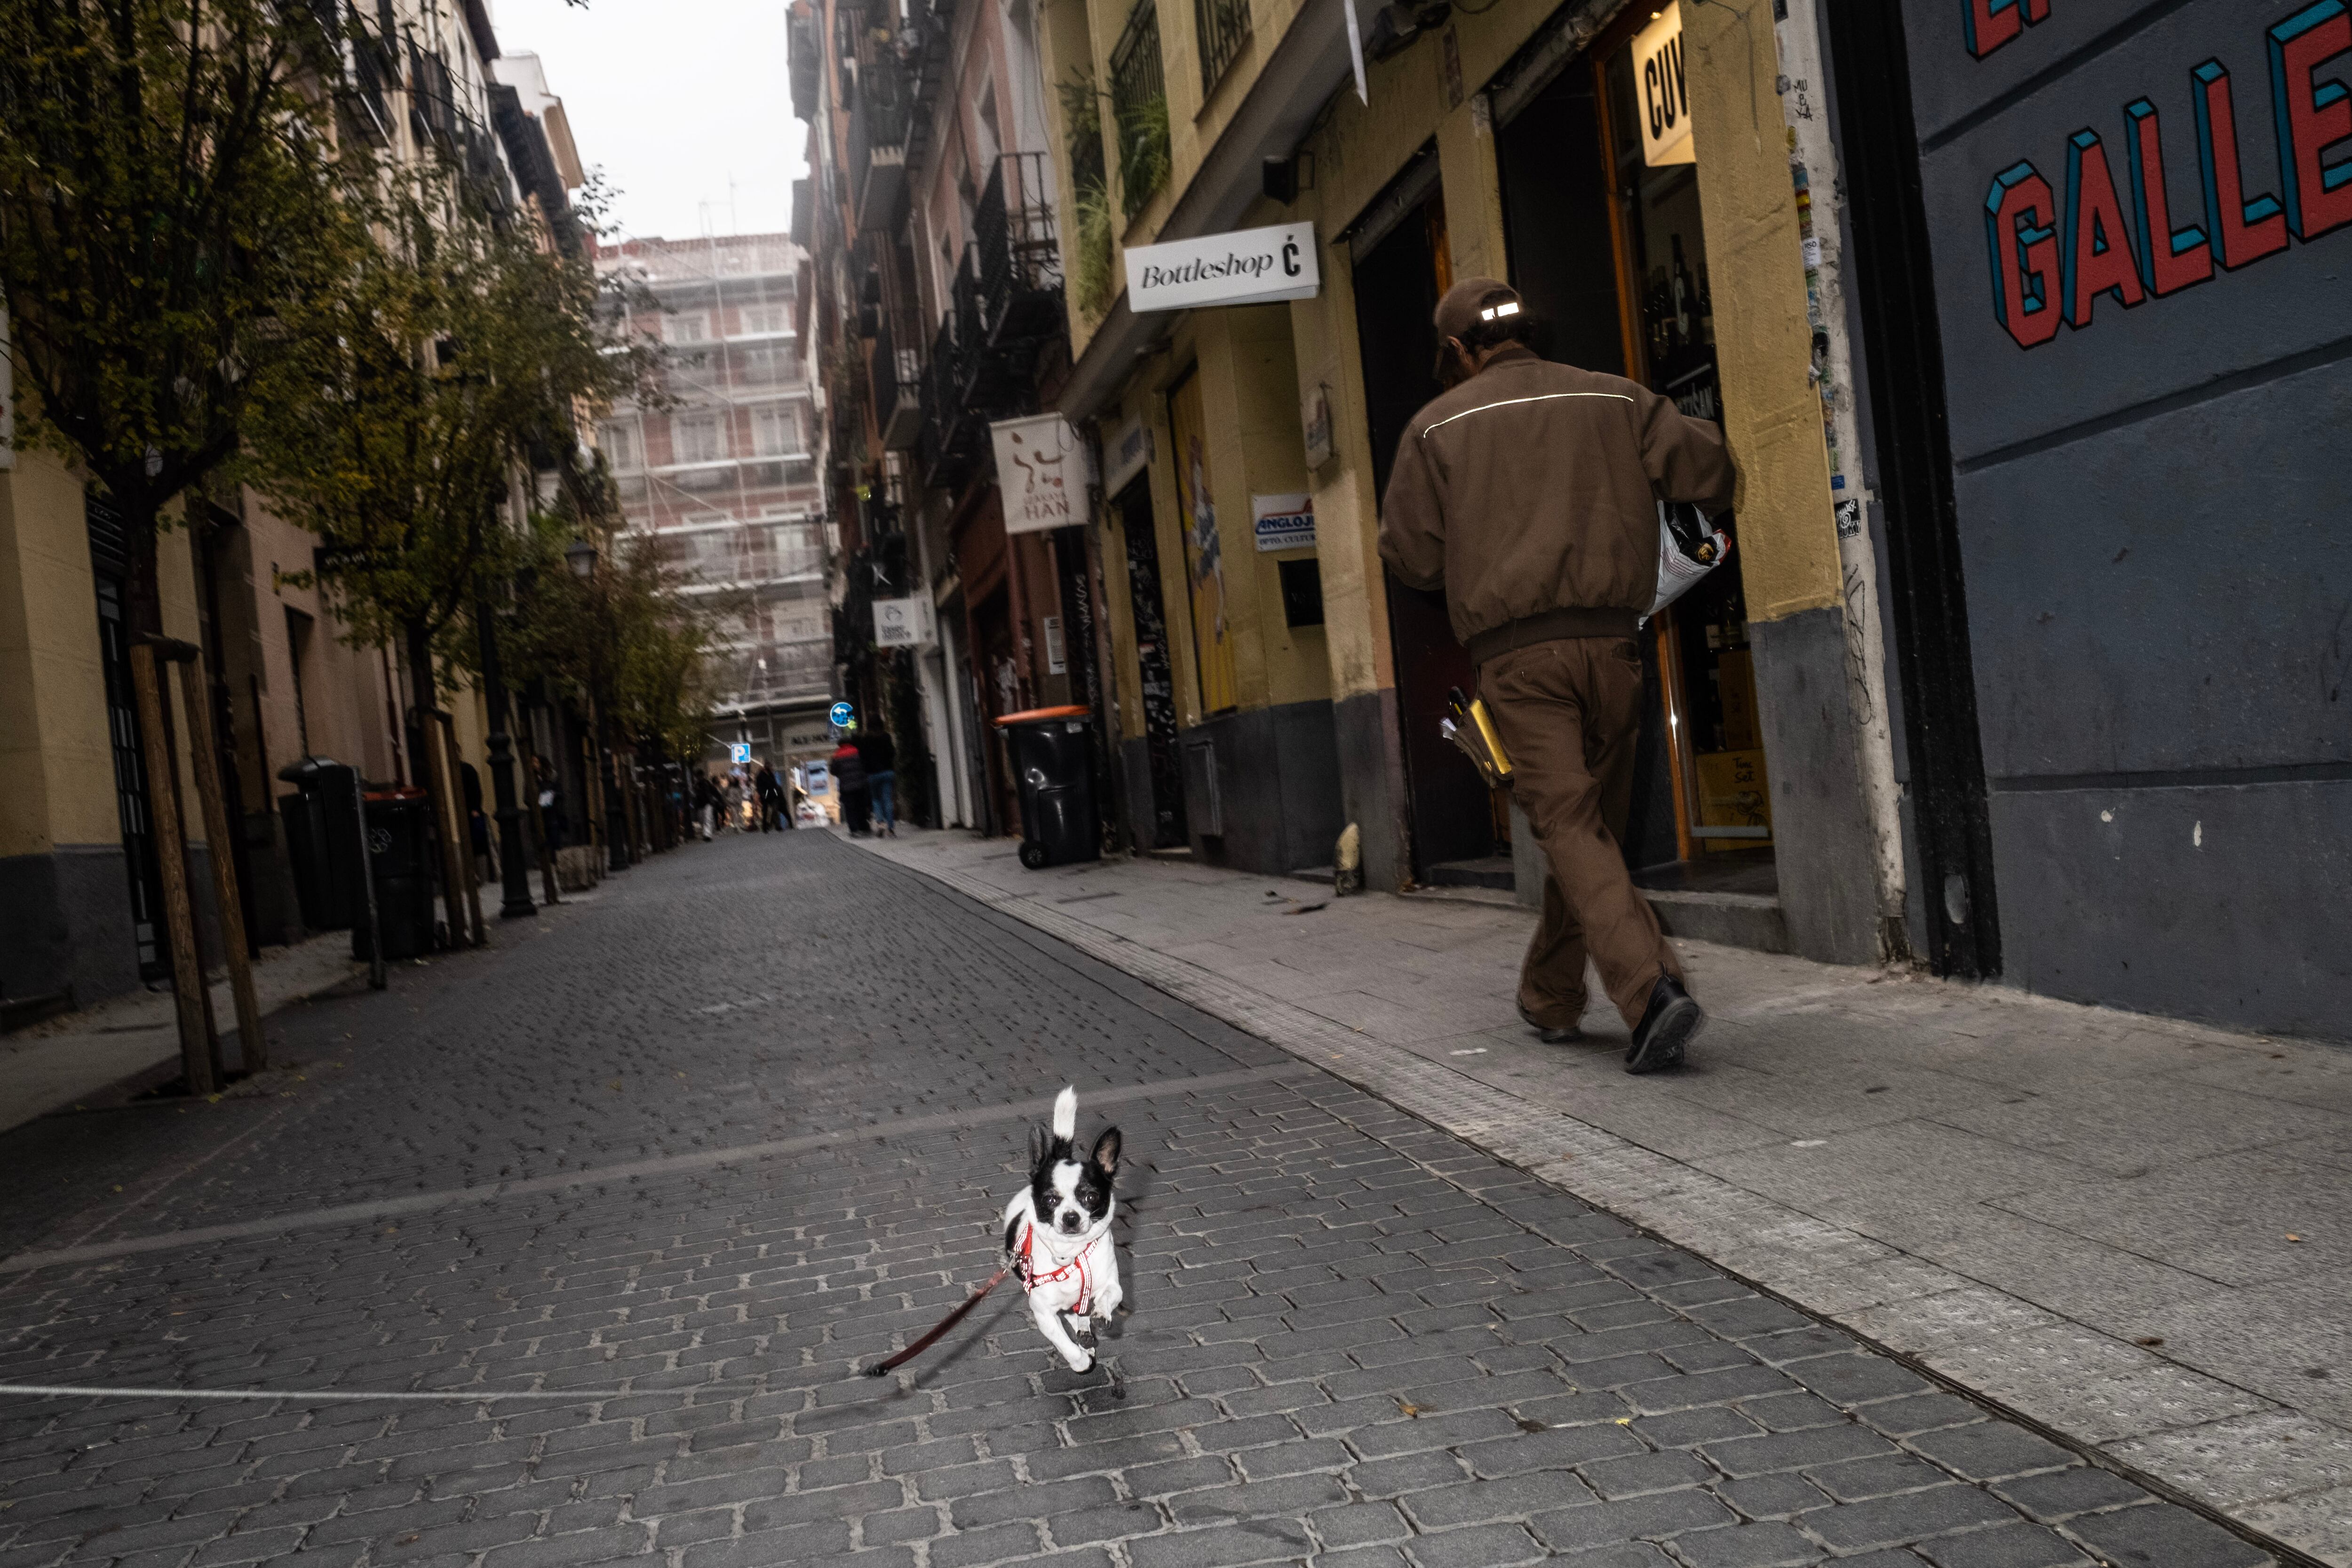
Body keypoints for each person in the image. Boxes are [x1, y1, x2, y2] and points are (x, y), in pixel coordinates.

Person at [1378, 278, 1735, 1075]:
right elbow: (1710, 467)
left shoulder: (1437, 427)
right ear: (1526, 331)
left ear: (1460, 350)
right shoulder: (1616, 398)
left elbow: (1412, 554)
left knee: (1572, 829)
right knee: (1586, 832)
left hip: (1521, 660)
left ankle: (1650, 995)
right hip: (1615, 648)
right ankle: (1548, 991)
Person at [860, 725, 898, 837]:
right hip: (887, 771)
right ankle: (891, 828)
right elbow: (892, 752)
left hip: (873, 774)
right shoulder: (886, 736)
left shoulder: (866, 739)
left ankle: (881, 824)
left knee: (876, 800)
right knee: (887, 799)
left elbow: (863, 757)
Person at [831, 736, 870, 836]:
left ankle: (854, 830)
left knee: (850, 809)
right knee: (860, 806)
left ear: (840, 745)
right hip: (860, 785)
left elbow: (833, 771)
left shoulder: (837, 755)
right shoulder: (857, 752)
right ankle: (864, 827)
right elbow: (864, 765)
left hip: (846, 787)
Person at [755, 761, 786, 832]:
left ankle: (777, 825)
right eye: (770, 766)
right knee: (766, 811)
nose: (771, 768)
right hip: (765, 795)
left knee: (775, 809)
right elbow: (759, 786)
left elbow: (774, 784)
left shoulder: (771, 775)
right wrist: (762, 794)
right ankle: (765, 826)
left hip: (773, 795)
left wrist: (776, 793)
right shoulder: (760, 776)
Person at [694, 771, 720, 840]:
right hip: (701, 804)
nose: (698, 778)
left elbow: (713, 791)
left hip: (708, 803)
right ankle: (706, 833)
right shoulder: (697, 785)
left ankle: (707, 835)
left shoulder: (706, 783)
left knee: (707, 819)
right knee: (702, 819)